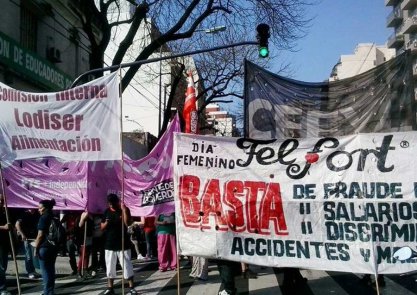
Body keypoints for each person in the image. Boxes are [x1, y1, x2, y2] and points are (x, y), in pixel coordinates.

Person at [101, 194, 137, 295]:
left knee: (127, 266)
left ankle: (131, 288)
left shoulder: (124, 210)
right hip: (110, 244)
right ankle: (110, 288)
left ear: (117, 202)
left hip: (123, 243)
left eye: (112, 202)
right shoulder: (106, 212)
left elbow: (127, 224)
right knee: (110, 267)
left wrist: (125, 211)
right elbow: (102, 227)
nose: (111, 205)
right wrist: (106, 223)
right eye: (109, 203)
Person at [34, 199, 58, 295]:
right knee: (51, 270)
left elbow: (40, 235)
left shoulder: (43, 218)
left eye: (40, 208)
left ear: (46, 208)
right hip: (53, 246)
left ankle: (47, 292)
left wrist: (36, 248)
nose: (38, 210)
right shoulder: (54, 217)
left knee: (45, 271)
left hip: (44, 247)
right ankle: (50, 290)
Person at [15, 208, 41, 279]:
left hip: (34, 237)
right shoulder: (24, 214)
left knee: (33, 255)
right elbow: (17, 224)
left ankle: (33, 270)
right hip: (26, 238)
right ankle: (30, 271)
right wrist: (22, 234)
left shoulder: (37, 214)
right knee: (28, 255)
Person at [61, 211, 80, 275]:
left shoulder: (78, 214)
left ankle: (80, 268)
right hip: (69, 237)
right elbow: (61, 222)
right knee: (71, 255)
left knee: (80, 254)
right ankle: (75, 269)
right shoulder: (67, 214)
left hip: (76, 237)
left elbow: (76, 226)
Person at [0, 195, 12, 295]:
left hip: (4, 243)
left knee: (4, 266)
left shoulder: (5, 212)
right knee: (0, 267)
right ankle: (2, 288)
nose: (1, 202)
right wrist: (3, 227)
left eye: (2, 200)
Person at [77, 211, 93, 278]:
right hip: (83, 237)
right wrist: (83, 218)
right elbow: (80, 225)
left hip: (89, 236)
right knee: (83, 254)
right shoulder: (83, 214)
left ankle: (86, 269)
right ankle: (79, 271)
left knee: (87, 254)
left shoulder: (91, 214)